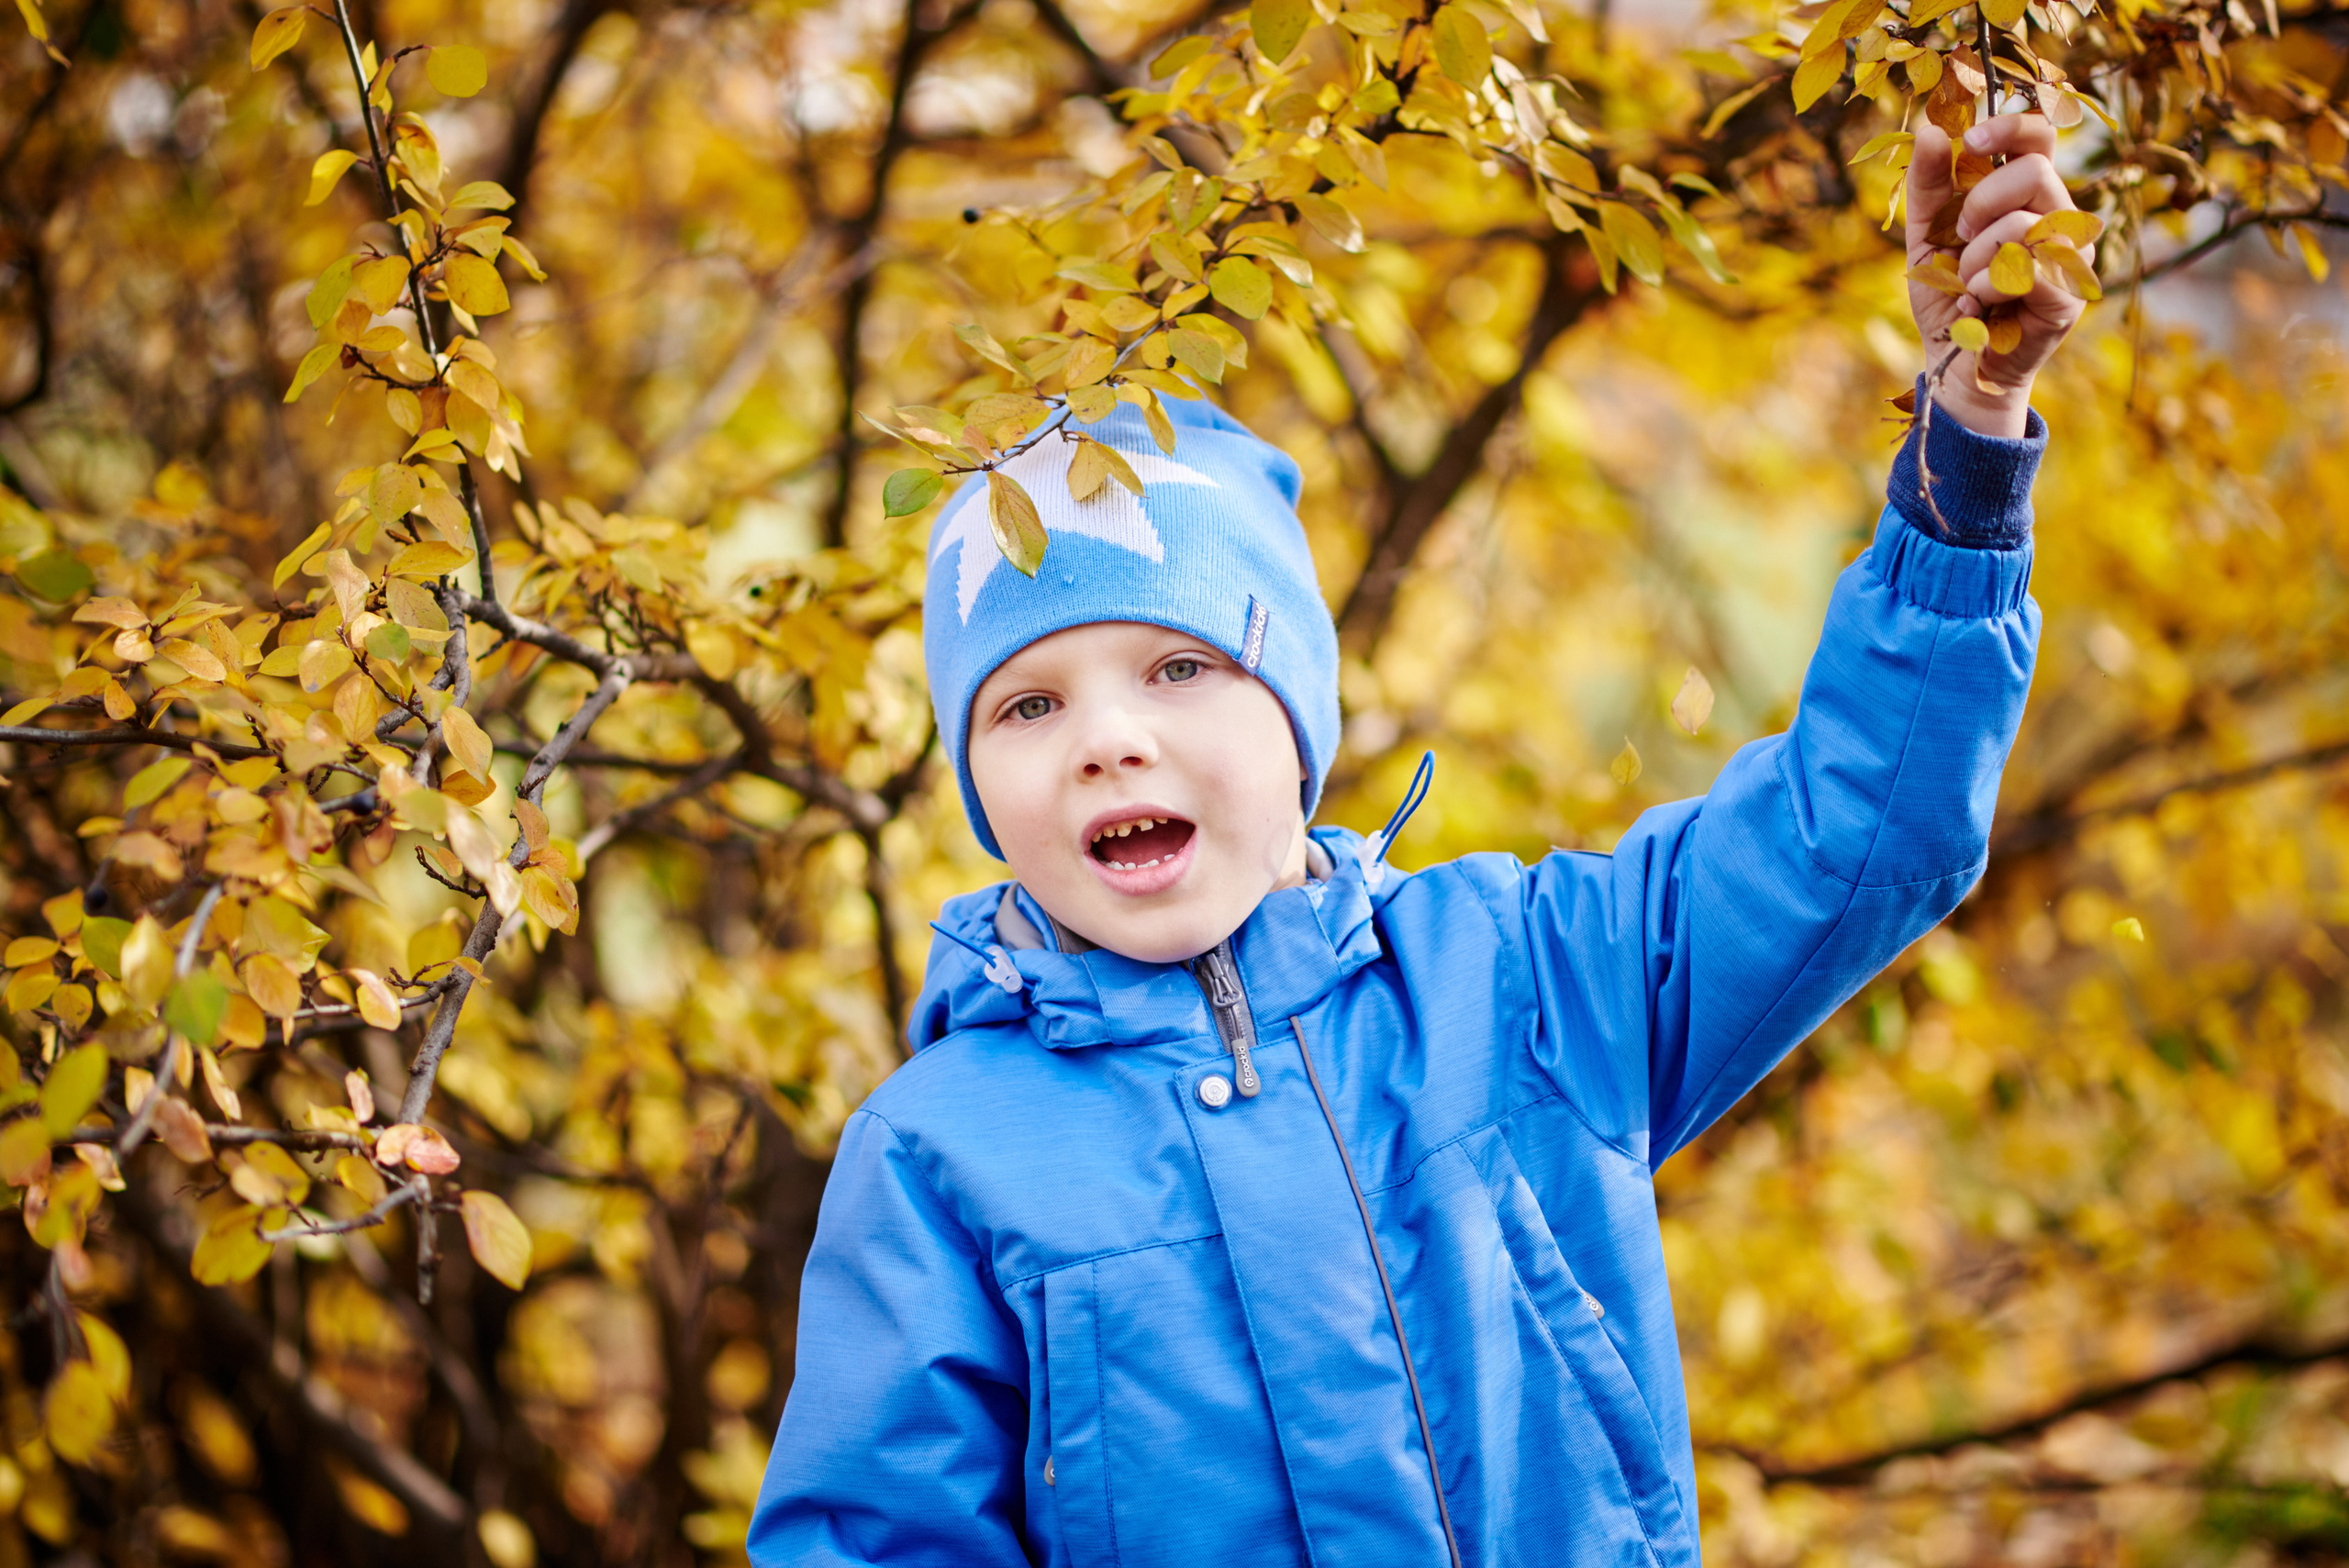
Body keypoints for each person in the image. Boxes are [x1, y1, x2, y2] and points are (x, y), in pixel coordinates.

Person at [749, 115, 2080, 1566]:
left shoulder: (1526, 977)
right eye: (1027, 702)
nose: (1105, 737)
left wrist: (1973, 435)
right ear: (979, 784)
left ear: (1300, 713)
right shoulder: (940, 1156)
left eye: (1180, 667)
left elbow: (1858, 830)